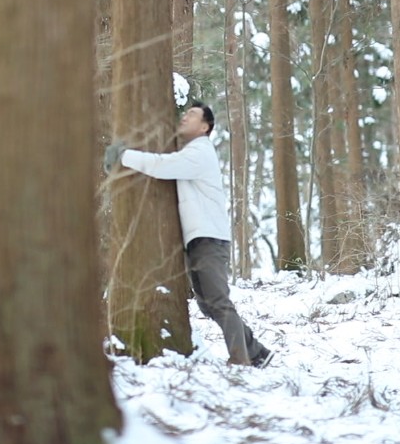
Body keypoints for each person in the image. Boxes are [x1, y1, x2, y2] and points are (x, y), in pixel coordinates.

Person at [104, 101, 273, 368]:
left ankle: (241, 359)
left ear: (205, 127)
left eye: (191, 115)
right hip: (201, 239)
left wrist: (124, 156)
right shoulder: (192, 151)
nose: (184, 117)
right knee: (208, 304)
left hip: (209, 239)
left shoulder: (199, 152)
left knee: (217, 301)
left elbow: (162, 166)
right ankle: (258, 352)